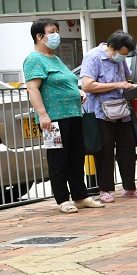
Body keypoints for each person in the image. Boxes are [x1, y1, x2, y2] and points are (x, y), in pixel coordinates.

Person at [23, 18, 104, 214]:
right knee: (58, 158)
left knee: (76, 156)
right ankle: (62, 199)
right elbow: (33, 89)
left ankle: (80, 196)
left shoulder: (55, 59)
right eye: (52, 32)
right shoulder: (34, 59)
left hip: (73, 114)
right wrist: (43, 115)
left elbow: (67, 82)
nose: (56, 35)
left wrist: (78, 92)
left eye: (57, 31)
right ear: (39, 36)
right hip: (54, 119)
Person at [80, 31, 137, 203]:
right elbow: (87, 85)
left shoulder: (121, 60)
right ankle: (104, 189)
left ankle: (129, 187)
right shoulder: (93, 57)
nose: (123, 57)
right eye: (122, 53)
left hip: (122, 110)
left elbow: (127, 78)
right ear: (112, 47)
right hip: (100, 112)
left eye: (126, 54)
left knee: (127, 148)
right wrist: (117, 85)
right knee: (104, 151)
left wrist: (129, 87)